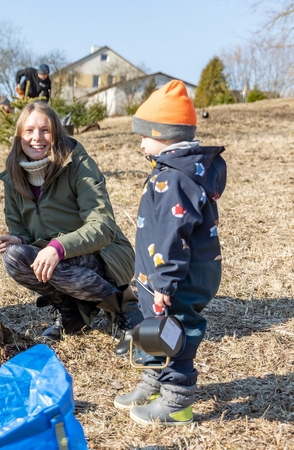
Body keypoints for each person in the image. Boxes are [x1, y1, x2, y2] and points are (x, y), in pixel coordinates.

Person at [114, 80, 226, 426]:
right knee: (155, 325)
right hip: (162, 273)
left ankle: (177, 403)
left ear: (164, 135)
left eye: (144, 135)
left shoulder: (174, 179)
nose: (141, 143)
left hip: (177, 275)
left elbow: (172, 237)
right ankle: (153, 380)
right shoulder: (173, 172)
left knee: (175, 331)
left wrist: (163, 285)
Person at [0, 101, 140, 353]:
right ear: (19, 136)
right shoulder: (13, 175)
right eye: (29, 131)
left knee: (57, 262)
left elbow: (103, 226)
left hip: (105, 253)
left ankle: (124, 306)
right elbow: (24, 231)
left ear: (56, 133)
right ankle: (71, 312)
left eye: (45, 130)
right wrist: (19, 240)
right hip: (59, 256)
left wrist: (59, 247)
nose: (36, 138)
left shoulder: (77, 165)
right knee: (14, 258)